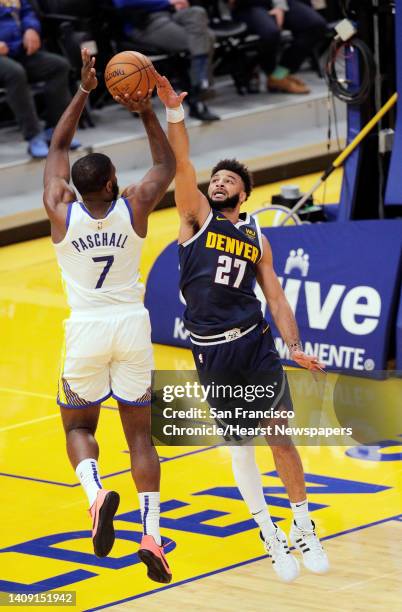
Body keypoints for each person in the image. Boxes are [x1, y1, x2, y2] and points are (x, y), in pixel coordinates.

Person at [154, 71, 330, 582]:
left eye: (230, 180)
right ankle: (267, 532)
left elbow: (274, 295)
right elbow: (182, 162)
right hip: (212, 352)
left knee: (281, 436)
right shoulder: (194, 219)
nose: (220, 181)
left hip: (255, 345)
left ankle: (302, 524)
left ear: (245, 195)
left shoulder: (256, 236)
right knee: (240, 447)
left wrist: (293, 346)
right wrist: (173, 110)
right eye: (218, 179)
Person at [42, 49, 175, 584]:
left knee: (78, 423)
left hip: (87, 329)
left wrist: (84, 88)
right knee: (140, 438)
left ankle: (96, 495)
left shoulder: (59, 208)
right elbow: (165, 165)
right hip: (132, 326)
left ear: (77, 187)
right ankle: (151, 534)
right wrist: (144, 110)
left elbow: (56, 145)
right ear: (114, 184)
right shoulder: (136, 203)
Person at [112, 0, 220, 121]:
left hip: (170, 14)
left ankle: (200, 84)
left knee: (197, 12)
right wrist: (167, 2)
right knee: (205, 39)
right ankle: (199, 90)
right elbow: (122, 3)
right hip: (147, 23)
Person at [0, 0, 80, 158]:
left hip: (17, 50)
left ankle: (57, 132)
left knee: (58, 66)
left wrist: (31, 29)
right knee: (15, 73)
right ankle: (34, 136)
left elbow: (27, 12)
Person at [229, 0, 327, 94]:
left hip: (279, 2)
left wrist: (280, 7)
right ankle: (267, 74)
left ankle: (279, 75)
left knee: (316, 25)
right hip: (249, 5)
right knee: (271, 33)